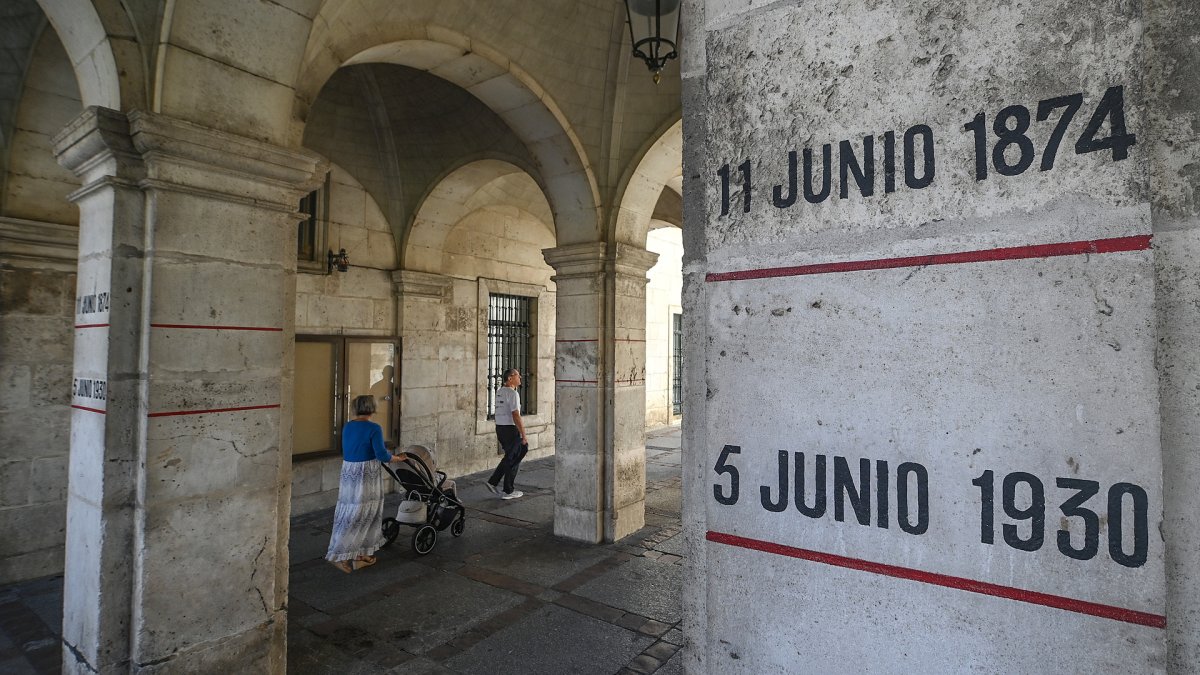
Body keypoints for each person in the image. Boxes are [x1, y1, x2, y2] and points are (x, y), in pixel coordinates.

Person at [326, 394, 407, 573]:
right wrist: (398, 458)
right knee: (364, 513)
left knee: (349, 510)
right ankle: (342, 555)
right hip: (365, 473)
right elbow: (382, 455)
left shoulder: (348, 426)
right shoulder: (374, 428)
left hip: (349, 472)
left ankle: (358, 555)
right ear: (372, 409)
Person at [485, 368, 528, 500]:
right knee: (515, 455)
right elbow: (515, 414)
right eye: (517, 376)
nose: (520, 377)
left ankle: (494, 482)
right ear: (510, 378)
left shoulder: (500, 392)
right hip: (510, 429)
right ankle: (508, 490)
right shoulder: (512, 393)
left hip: (500, 428)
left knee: (512, 456)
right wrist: (523, 434)